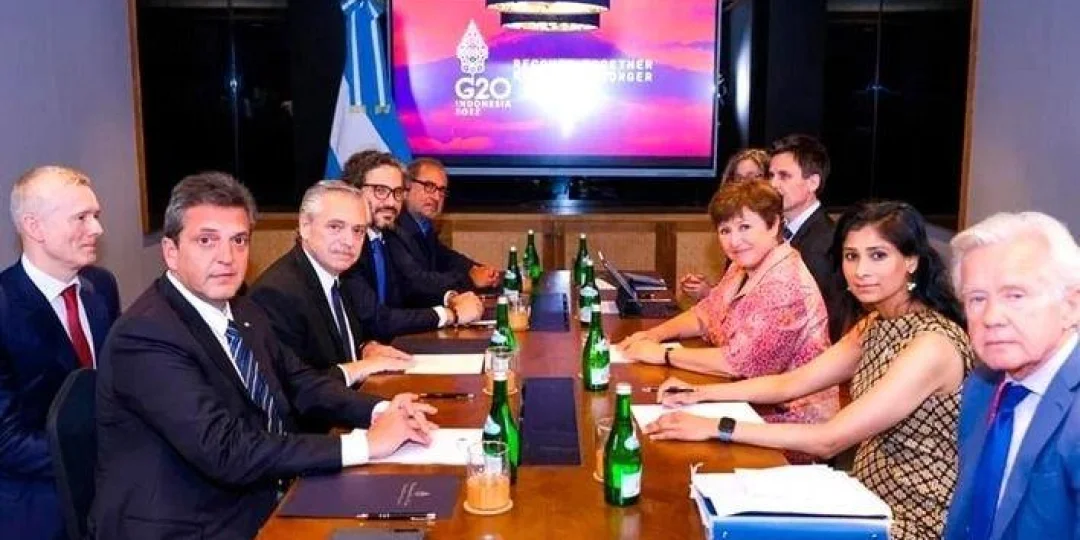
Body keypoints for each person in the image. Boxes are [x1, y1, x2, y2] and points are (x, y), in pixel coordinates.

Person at [91, 172, 437, 540]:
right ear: (171, 252)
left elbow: (300, 382)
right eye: (207, 240)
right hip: (194, 522)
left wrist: (381, 410)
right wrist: (365, 444)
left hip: (259, 494)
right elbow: (226, 451)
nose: (227, 257)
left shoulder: (242, 309)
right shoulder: (146, 334)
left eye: (239, 240)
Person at [647, 201, 973, 540]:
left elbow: (828, 440)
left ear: (911, 261)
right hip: (864, 502)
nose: (861, 270)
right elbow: (789, 384)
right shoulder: (877, 323)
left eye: (878, 256)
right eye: (851, 256)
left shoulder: (931, 344)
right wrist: (699, 393)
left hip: (909, 522)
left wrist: (716, 426)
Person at [619, 180, 837, 430]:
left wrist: (663, 354)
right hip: (741, 398)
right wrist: (653, 335)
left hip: (789, 420)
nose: (735, 241)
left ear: (774, 225)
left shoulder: (785, 284)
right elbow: (704, 313)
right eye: (725, 231)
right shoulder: (742, 266)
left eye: (745, 227)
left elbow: (739, 363)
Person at [0, 166, 120, 540]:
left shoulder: (101, 286)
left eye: (96, 215)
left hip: (108, 496)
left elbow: (112, 383)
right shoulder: (3, 307)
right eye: (81, 218)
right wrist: (104, 449)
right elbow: (5, 441)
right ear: (34, 227)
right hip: (37, 509)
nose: (97, 229)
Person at [944, 212, 1080, 540]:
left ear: (1072, 306)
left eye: (1015, 296)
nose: (992, 317)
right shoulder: (980, 387)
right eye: (977, 299)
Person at [247, 181, 414, 402]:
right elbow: (294, 390)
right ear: (305, 226)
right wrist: (358, 368)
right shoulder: (276, 293)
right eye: (335, 227)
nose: (349, 241)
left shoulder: (340, 276)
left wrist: (366, 348)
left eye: (358, 230)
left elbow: (335, 348)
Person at [340, 150, 483, 340]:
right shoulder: (345, 246)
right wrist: (450, 314)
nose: (391, 202)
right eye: (380, 191)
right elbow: (376, 319)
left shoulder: (385, 236)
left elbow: (408, 290)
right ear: (354, 191)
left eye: (397, 192)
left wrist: (450, 298)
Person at [767, 134, 843, 340]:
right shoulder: (774, 230)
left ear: (812, 183)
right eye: (771, 175)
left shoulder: (826, 243)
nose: (773, 184)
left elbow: (824, 320)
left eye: (784, 176)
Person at [389, 157, 500, 293]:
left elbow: (447, 258)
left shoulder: (424, 226)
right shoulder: (392, 229)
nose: (436, 197)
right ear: (406, 188)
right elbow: (418, 282)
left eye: (441, 191)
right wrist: (470, 279)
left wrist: (478, 270)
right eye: (429, 187)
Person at [680, 148, 771, 300]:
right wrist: (708, 292)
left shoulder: (774, 237)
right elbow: (735, 299)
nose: (745, 185)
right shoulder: (734, 234)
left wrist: (708, 294)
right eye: (739, 179)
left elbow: (753, 305)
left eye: (753, 178)